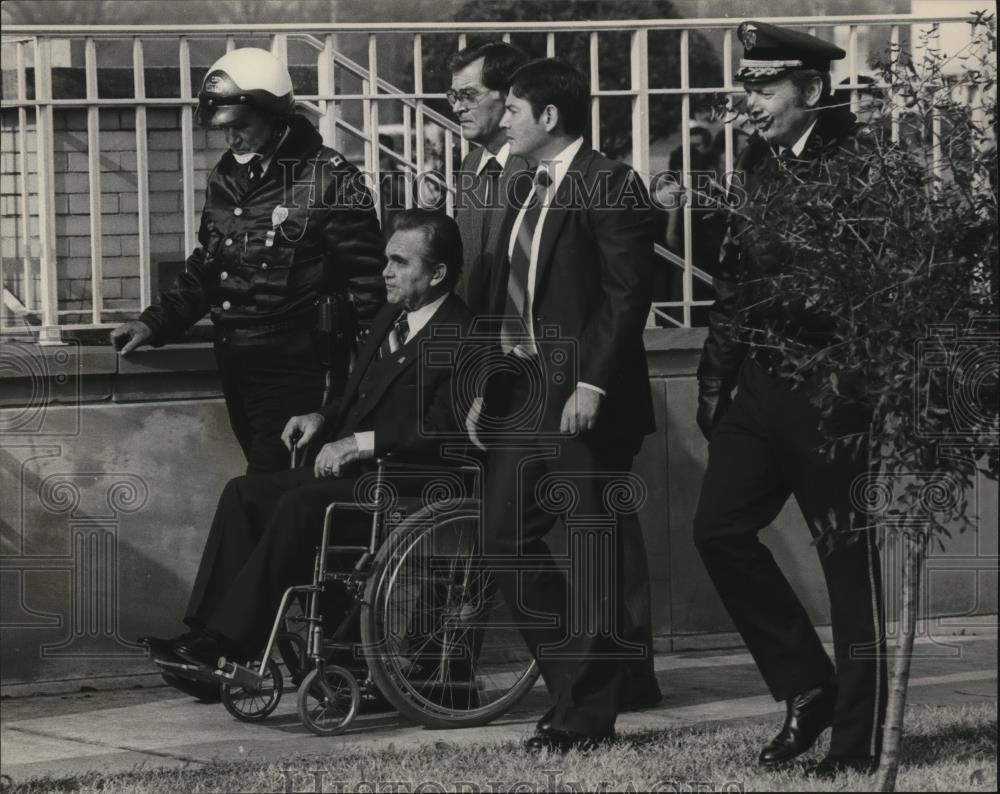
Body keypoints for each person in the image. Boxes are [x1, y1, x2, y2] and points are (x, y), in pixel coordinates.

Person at [143, 210, 475, 677]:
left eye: (400, 262)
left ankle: (228, 646)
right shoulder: (391, 316)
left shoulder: (464, 334)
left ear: (437, 273)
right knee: (245, 493)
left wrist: (358, 443)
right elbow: (359, 393)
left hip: (408, 485)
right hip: (360, 478)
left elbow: (447, 428)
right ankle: (207, 637)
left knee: (300, 503)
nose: (385, 272)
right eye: (386, 260)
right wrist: (323, 416)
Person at [693, 21, 887, 779]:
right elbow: (735, 283)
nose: (750, 101)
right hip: (763, 389)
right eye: (746, 85)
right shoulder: (760, 158)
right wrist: (716, 383)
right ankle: (807, 686)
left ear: (810, 89)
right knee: (718, 531)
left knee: (849, 568)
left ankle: (855, 740)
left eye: (764, 86)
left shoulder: (863, 165)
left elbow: (877, 296)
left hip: (834, 393)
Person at [468, 58, 658, 753]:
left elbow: (626, 294)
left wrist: (594, 384)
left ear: (549, 117)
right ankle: (575, 692)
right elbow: (509, 300)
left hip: (584, 401)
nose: (504, 119)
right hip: (523, 396)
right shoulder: (527, 186)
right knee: (501, 542)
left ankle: (585, 717)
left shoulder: (610, 182)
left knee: (591, 558)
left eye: (513, 108)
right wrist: (487, 388)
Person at [110, 47, 386, 474]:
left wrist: (361, 390)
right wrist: (153, 322)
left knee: (275, 492)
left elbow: (371, 286)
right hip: (238, 363)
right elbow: (210, 265)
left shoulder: (330, 178)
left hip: (299, 370)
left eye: (240, 126)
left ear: (274, 117)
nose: (230, 137)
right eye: (224, 128)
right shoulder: (228, 173)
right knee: (272, 495)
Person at [448, 41, 530, 315]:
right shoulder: (470, 165)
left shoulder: (538, 167)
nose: (458, 108)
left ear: (509, 96)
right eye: (454, 96)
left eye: (469, 95)